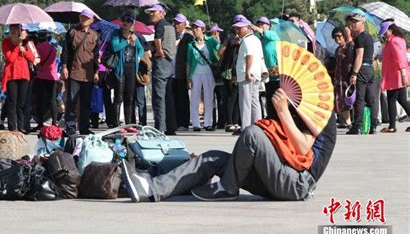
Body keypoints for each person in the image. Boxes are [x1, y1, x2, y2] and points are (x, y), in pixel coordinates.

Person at [120, 88, 337, 202]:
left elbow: (302, 148)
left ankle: (228, 187)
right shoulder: (295, 106)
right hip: (273, 175)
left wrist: (282, 111)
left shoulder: (322, 113)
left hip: (296, 185)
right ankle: (150, 189)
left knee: (252, 133)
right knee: (211, 158)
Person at [61, 9, 100, 135]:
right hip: (74, 72)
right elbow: (65, 51)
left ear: (92, 20)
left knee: (86, 103)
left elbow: (95, 55)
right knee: (71, 101)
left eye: (86, 18)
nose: (84, 20)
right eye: (82, 17)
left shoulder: (95, 35)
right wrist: (64, 67)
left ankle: (84, 127)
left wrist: (96, 72)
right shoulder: (72, 32)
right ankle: (70, 127)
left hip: (88, 74)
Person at [110, 10, 145, 131]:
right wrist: (127, 41)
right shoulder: (116, 33)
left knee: (130, 98)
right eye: (123, 20)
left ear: (132, 23)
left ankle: (129, 124)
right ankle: (116, 125)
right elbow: (115, 47)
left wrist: (139, 56)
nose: (125, 23)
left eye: (128, 21)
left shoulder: (134, 35)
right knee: (118, 97)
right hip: (120, 69)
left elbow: (141, 49)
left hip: (131, 69)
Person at [146, 4, 177, 135]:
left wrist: (158, 50)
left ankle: (160, 128)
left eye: (154, 12)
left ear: (161, 13)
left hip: (161, 62)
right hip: (170, 63)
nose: (151, 14)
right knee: (169, 97)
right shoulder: (170, 26)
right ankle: (171, 126)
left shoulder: (159, 26)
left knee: (159, 97)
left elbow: (158, 39)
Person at [346, 9, 377, 135]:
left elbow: (359, 55)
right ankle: (373, 126)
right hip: (369, 68)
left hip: (362, 69)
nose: (353, 24)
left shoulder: (360, 38)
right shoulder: (369, 37)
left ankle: (356, 126)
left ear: (362, 22)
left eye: (356, 22)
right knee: (371, 99)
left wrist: (354, 73)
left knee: (360, 98)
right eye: (352, 21)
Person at [186, 19, 220, 131]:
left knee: (209, 98)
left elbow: (220, 49)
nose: (195, 31)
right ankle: (196, 123)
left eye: (197, 28)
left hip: (208, 72)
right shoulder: (191, 45)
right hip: (195, 73)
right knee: (195, 98)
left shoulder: (210, 41)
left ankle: (208, 123)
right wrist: (188, 78)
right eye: (193, 28)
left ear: (203, 30)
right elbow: (188, 63)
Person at [2, 24, 35, 133]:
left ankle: (21, 126)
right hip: (12, 75)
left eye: (16, 29)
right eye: (11, 29)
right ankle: (12, 127)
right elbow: (10, 58)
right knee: (12, 102)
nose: (13, 31)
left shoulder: (26, 43)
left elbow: (32, 58)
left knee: (22, 103)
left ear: (20, 31)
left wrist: (24, 50)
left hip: (24, 75)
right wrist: (17, 47)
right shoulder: (6, 42)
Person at [379, 21, 410, 133]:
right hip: (396, 74)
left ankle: (392, 126)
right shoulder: (397, 40)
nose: (384, 34)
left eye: (385, 32)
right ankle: (392, 126)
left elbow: (400, 59)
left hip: (395, 75)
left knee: (391, 100)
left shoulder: (394, 42)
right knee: (402, 100)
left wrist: (403, 75)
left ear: (391, 29)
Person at [234, 16, 264, 133]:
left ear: (248, 27)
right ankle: (257, 126)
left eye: (240, 28)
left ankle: (246, 127)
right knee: (254, 101)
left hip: (248, 74)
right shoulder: (255, 39)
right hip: (255, 73)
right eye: (236, 28)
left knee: (245, 102)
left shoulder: (247, 40)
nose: (238, 31)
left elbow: (249, 56)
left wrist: (247, 72)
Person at [219, 19, 241, 133]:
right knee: (230, 96)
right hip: (229, 70)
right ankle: (230, 122)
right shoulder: (229, 36)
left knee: (237, 97)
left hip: (238, 70)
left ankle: (236, 122)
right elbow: (220, 52)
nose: (239, 29)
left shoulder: (244, 38)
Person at [172, 13, 194, 131]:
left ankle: (183, 123)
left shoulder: (188, 38)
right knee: (174, 98)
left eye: (179, 23)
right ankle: (175, 121)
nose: (176, 25)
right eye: (175, 23)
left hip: (182, 73)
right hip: (172, 72)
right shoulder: (172, 36)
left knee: (183, 99)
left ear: (184, 24)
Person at [34, 31, 59, 130]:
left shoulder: (37, 48)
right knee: (52, 99)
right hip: (52, 76)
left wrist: (39, 67)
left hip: (40, 76)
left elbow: (36, 61)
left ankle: (40, 123)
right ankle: (54, 122)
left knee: (39, 100)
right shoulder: (53, 48)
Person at [332, 27, 353, 128]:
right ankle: (348, 123)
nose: (337, 38)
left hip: (347, 77)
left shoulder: (349, 47)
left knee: (351, 100)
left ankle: (356, 121)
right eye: (335, 37)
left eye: (339, 36)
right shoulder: (337, 49)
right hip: (338, 77)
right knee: (342, 101)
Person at [22, 30, 40, 132]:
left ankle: (25, 124)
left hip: (29, 73)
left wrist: (33, 59)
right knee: (19, 101)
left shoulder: (30, 43)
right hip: (18, 74)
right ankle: (20, 124)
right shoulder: (13, 42)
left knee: (27, 100)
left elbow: (36, 58)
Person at [208, 24, 226, 129]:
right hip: (216, 73)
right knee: (218, 99)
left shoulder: (211, 41)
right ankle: (218, 121)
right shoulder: (214, 42)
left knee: (214, 99)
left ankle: (216, 121)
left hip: (215, 73)